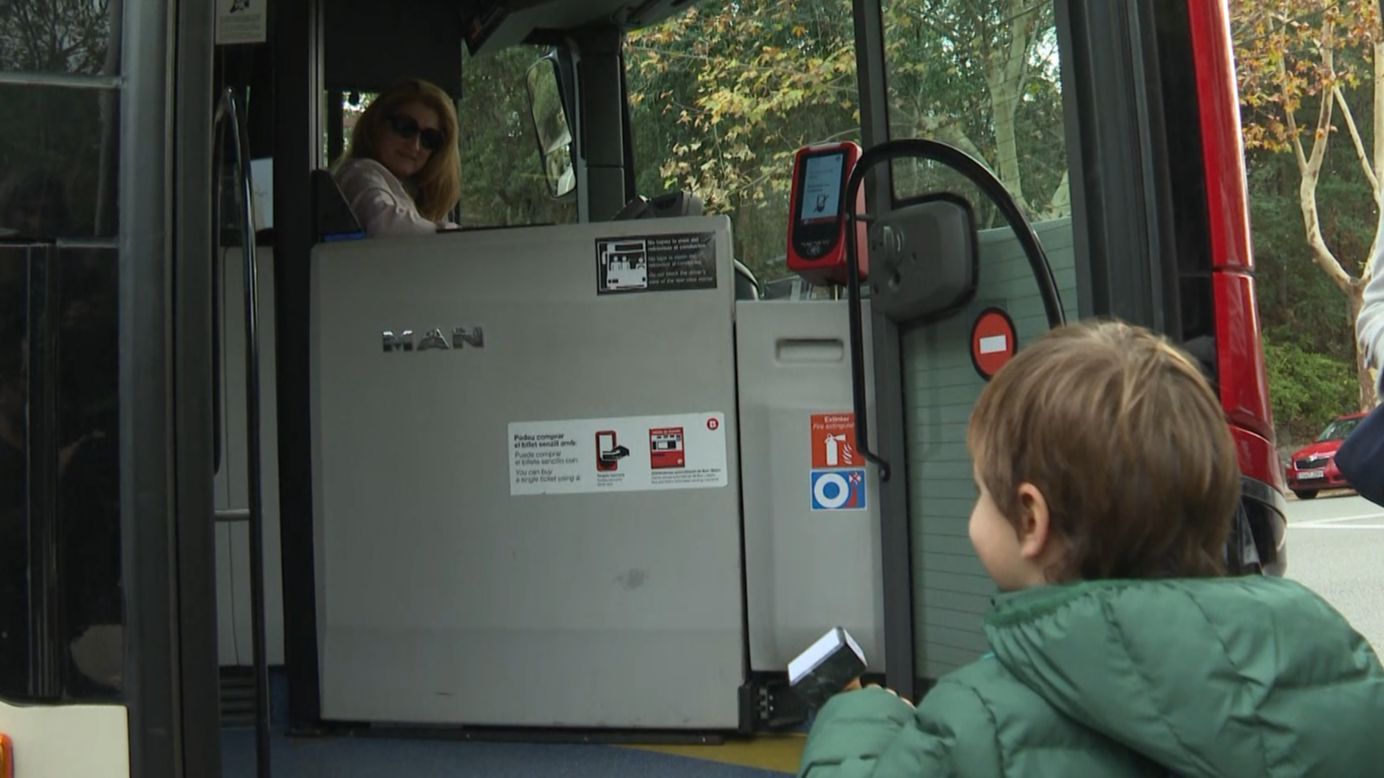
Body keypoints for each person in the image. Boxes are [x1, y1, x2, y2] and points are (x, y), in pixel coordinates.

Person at [799, 320, 1384, 777]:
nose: (973, 512)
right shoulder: (1335, 662)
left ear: (1031, 519)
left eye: (979, 492)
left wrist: (858, 717)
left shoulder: (974, 721)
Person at [334, 79, 461, 237]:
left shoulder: (416, 193)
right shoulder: (358, 174)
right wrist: (458, 236)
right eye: (405, 127)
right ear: (377, 123)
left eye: (429, 139)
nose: (415, 146)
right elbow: (383, 225)